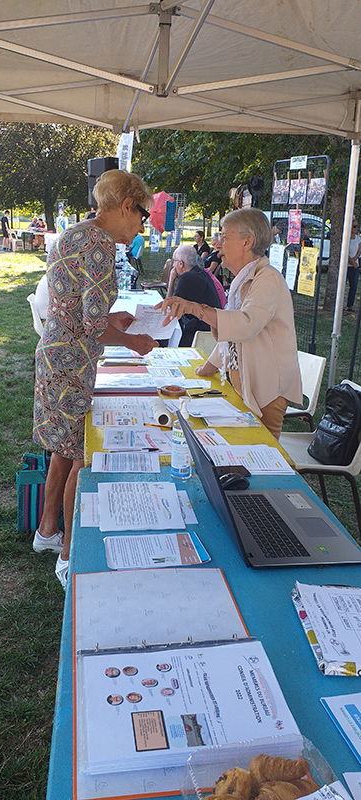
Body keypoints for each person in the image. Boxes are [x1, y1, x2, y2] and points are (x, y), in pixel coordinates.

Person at [32, 170, 158, 589]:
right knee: (81, 455)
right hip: (71, 364)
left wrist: (111, 322)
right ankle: (69, 558)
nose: (143, 224)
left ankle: (47, 531)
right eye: (142, 214)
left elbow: (76, 309)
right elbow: (91, 326)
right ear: (126, 206)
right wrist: (132, 340)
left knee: (64, 449)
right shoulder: (102, 245)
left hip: (55, 355)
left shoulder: (75, 232)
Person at [157, 208, 302, 440]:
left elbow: (245, 325)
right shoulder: (244, 278)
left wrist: (195, 308)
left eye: (224, 237)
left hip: (266, 389)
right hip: (246, 384)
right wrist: (208, 368)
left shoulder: (268, 279)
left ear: (248, 242)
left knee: (261, 455)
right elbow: (231, 335)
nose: (217, 244)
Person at [166, 244, 221, 346]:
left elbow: (170, 307)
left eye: (174, 261)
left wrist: (171, 281)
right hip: (207, 327)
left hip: (200, 334)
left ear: (181, 264)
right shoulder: (200, 273)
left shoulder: (188, 278)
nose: (173, 265)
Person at [346, 219, 361, 313]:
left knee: (354, 286)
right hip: (346, 266)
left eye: (356, 226)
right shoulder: (346, 238)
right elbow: (345, 252)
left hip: (354, 267)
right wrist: (351, 261)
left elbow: (359, 250)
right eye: (354, 226)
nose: (356, 228)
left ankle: (350, 305)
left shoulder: (358, 238)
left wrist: (355, 260)